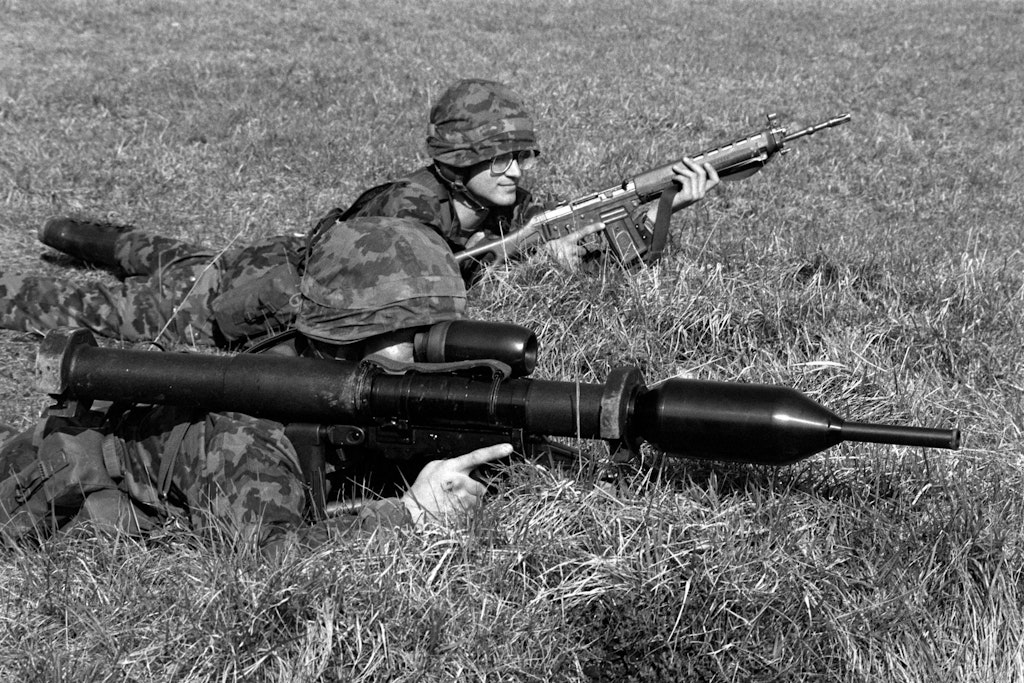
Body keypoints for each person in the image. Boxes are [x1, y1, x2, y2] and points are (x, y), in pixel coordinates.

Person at [0, 78, 718, 348]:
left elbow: (560, 241)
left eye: (521, 156)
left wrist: (662, 208)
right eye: (496, 158)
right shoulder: (402, 218)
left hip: (258, 253)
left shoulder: (505, 207)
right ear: (455, 160)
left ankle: (67, 231)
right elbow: (414, 301)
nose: (515, 171)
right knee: (82, 308)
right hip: (233, 293)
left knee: (148, 248)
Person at [0, 216, 511, 557]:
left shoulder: (351, 384)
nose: (435, 354)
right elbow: (275, 561)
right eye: (413, 336)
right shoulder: (250, 426)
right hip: (45, 482)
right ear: (341, 343)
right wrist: (410, 515)